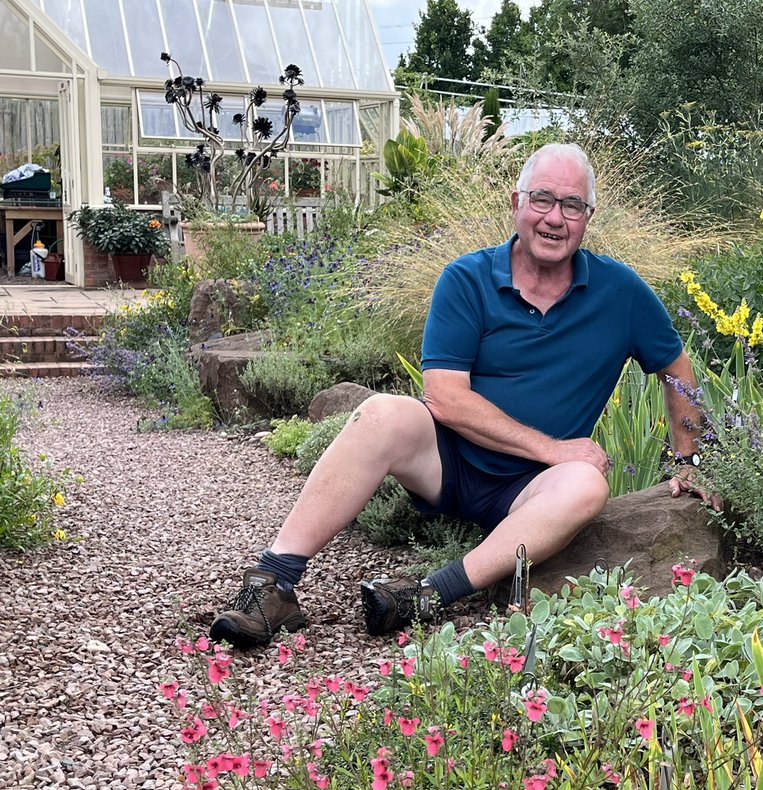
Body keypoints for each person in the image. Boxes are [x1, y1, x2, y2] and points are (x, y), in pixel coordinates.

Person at [210, 143, 713, 649]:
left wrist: (687, 460)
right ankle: (274, 583)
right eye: (542, 200)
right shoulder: (467, 278)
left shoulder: (620, 292)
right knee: (382, 412)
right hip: (449, 465)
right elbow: (445, 400)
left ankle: (427, 595)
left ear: (588, 217)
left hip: (533, 491)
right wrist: (553, 447)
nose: (554, 218)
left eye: (571, 205)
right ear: (517, 202)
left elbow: (675, 366)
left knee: (586, 484)